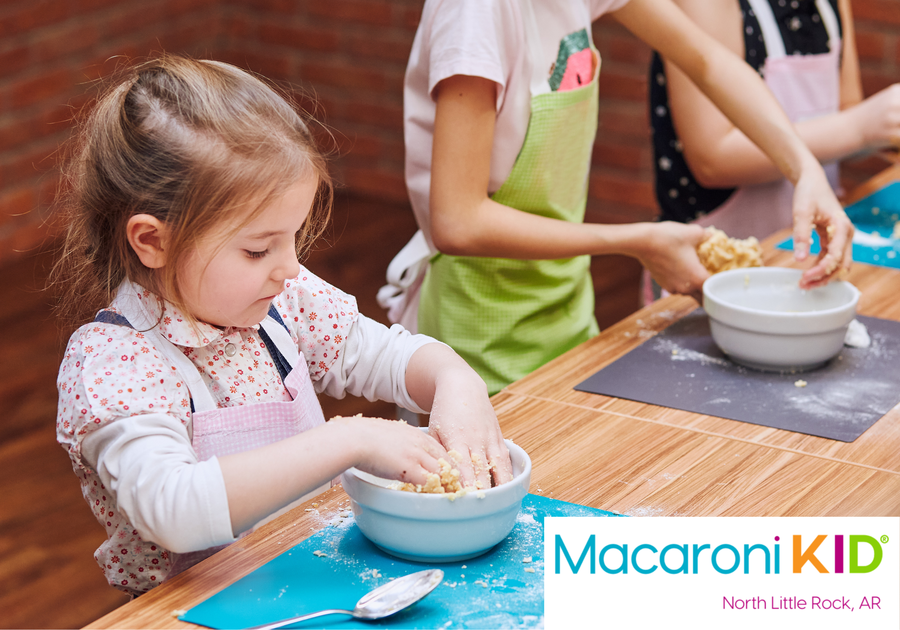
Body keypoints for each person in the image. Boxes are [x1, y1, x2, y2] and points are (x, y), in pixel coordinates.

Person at [52, 55, 513, 597]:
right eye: (257, 248)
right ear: (152, 241)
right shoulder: (116, 363)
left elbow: (385, 356)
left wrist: (455, 379)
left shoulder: (280, 299)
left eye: (293, 236)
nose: (290, 266)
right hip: (201, 609)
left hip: (310, 581)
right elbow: (172, 510)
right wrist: (349, 437)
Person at [377, 0, 855, 397]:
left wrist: (804, 168)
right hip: (476, 337)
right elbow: (458, 221)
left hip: (567, 311)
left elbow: (706, 61)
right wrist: (640, 240)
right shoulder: (475, 14)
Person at [651, 0, 900, 241]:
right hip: (714, 251)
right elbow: (712, 160)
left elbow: (847, 116)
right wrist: (859, 128)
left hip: (813, 243)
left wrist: (883, 129)